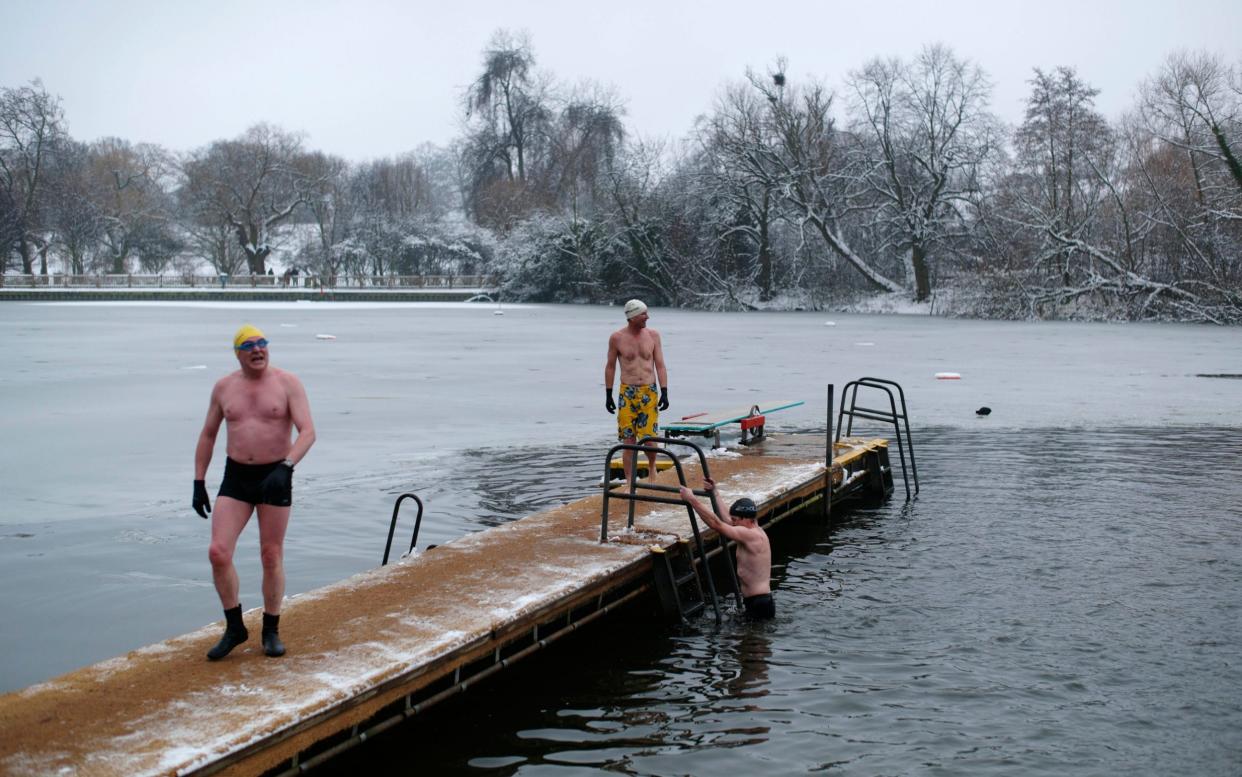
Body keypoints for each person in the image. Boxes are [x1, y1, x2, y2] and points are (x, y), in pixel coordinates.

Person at [192, 324, 316, 660]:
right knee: (218, 552)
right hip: (237, 477)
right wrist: (199, 481)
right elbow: (208, 435)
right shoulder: (223, 388)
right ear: (238, 353)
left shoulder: (287, 383)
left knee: (270, 554)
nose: (258, 349)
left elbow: (307, 432)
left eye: (262, 343)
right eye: (249, 345)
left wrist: (286, 467)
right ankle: (235, 626)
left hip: (276, 473)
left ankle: (271, 630)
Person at [678, 478, 775, 620]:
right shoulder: (750, 527)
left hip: (760, 603)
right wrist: (715, 493)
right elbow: (726, 521)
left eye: (735, 520)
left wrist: (692, 500)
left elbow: (716, 524)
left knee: (751, 641)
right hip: (756, 602)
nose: (732, 523)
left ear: (747, 519)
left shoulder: (751, 535)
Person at [605, 299, 669, 484]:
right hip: (627, 393)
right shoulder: (617, 338)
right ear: (632, 317)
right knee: (629, 441)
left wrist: (664, 391)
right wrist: (608, 394)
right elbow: (610, 367)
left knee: (649, 439)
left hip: (648, 392)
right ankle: (629, 482)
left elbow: (660, 365)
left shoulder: (653, 335)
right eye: (643, 314)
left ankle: (651, 467)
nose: (647, 317)